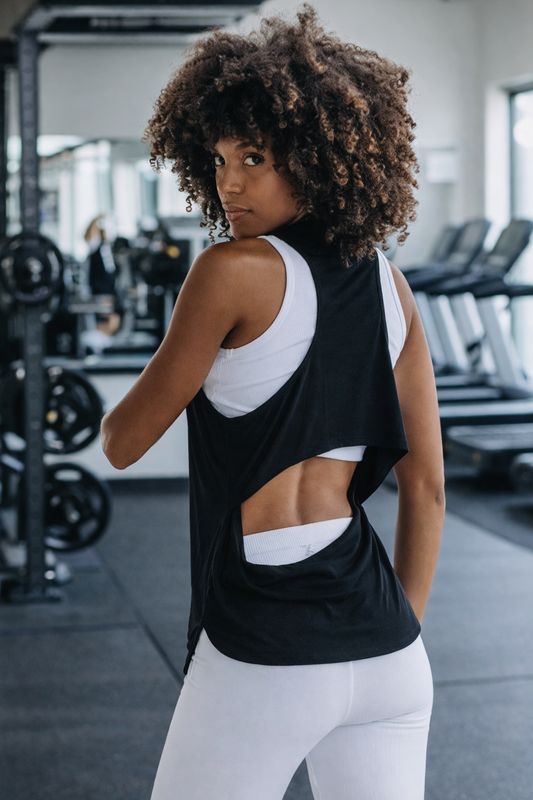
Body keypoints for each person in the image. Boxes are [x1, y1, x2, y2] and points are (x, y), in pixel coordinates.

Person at [101, 6, 445, 799]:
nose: (229, 181)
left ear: (317, 154)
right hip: (391, 650)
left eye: (254, 155)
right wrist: (402, 634)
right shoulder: (390, 283)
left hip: (265, 643)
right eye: (218, 158)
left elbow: (121, 442)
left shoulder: (231, 270)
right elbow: (425, 487)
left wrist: (180, 343)